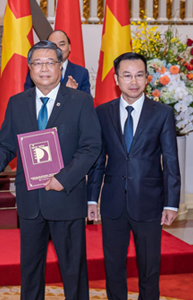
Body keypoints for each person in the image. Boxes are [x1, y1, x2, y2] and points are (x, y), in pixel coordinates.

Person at [0, 41, 101, 300]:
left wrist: (64, 178)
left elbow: (91, 146)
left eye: (50, 62)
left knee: (73, 271)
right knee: (30, 271)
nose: (44, 68)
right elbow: (6, 144)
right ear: (29, 68)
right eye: (38, 63)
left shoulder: (80, 101)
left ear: (61, 67)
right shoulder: (17, 103)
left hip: (66, 197)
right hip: (30, 202)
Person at [87, 52, 180, 299]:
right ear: (117, 79)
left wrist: (171, 202)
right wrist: (91, 198)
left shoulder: (162, 113)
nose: (134, 81)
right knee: (113, 265)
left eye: (139, 75)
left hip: (149, 201)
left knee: (150, 267)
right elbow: (98, 160)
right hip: (113, 202)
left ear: (147, 78)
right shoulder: (102, 112)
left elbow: (170, 161)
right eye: (127, 75)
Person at [24, 30, 91, 94]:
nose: (58, 48)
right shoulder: (36, 69)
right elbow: (28, 97)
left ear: (69, 47)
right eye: (53, 45)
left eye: (61, 44)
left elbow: (86, 103)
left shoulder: (81, 72)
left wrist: (72, 94)